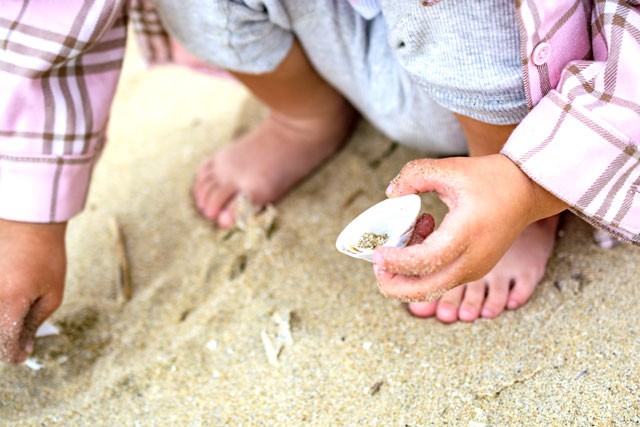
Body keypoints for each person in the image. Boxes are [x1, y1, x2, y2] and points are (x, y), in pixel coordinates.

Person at [0, 0, 638, 364]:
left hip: (522, 86)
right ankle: (306, 115)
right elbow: (48, 16)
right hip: (338, 44)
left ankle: (511, 184)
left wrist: (527, 184)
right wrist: (26, 223)